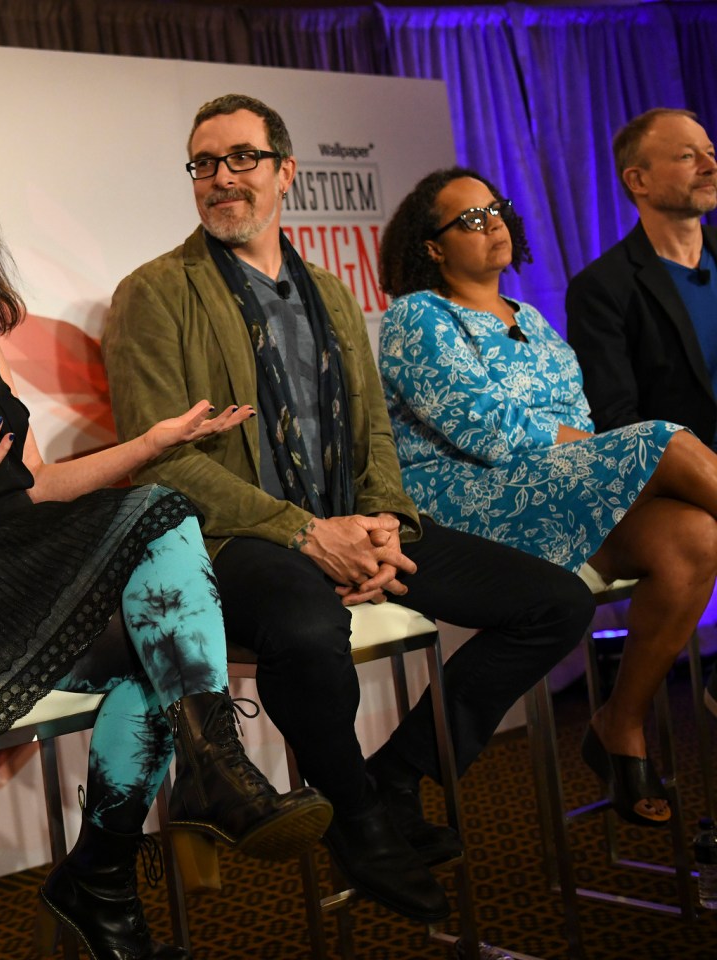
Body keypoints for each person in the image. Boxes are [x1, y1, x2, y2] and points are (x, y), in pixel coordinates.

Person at [0, 133, 333, 960]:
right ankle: (209, 774)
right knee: (160, 520)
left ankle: (102, 874)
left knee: (153, 651)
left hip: (7, 577)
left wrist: (152, 441)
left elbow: (40, 485)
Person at [103, 94, 594, 924]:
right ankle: (359, 824)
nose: (222, 179)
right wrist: (304, 532)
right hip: (239, 537)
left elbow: (370, 430)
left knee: (557, 603)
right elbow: (164, 459)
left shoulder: (330, 290)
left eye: (242, 159)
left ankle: (397, 778)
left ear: (285, 171)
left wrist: (387, 528)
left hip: (350, 521)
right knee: (305, 627)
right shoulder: (154, 291)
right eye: (204, 164)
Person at [377, 166, 717, 827]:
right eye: (469, 220)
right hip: (462, 499)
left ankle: (620, 723)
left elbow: (579, 420)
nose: (493, 222)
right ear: (434, 246)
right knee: (669, 443)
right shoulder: (417, 316)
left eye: (496, 210)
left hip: (547, 490)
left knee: (695, 538)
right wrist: (592, 454)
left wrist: (588, 454)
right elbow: (482, 425)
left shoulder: (530, 317)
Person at [567, 109, 717, 446]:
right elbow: (617, 421)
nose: (709, 166)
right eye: (687, 156)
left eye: (710, 152)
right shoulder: (601, 288)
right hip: (693, 474)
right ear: (638, 180)